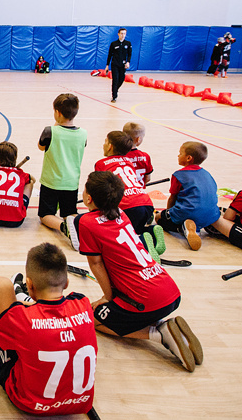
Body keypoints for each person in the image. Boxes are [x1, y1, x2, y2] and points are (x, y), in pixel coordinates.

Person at [75, 171, 203, 372]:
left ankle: (160, 334)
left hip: (146, 300)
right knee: (126, 308)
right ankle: (170, 329)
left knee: (94, 319)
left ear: (88, 198)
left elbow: (96, 263)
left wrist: (107, 297)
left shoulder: (85, 221)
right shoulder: (122, 213)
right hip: (171, 292)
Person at [0, 243, 98, 415]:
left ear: (30, 284)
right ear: (66, 283)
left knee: (1, 285)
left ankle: (19, 297)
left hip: (29, 404)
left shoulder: (22, 320)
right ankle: (22, 298)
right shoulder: (83, 304)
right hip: (79, 404)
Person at [89, 131, 163, 255]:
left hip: (127, 207)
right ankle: (150, 231)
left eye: (105, 142)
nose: (103, 145)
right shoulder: (129, 161)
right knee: (134, 227)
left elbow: (100, 190)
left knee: (113, 235)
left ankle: (143, 243)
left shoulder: (101, 164)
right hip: (146, 204)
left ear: (110, 146)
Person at [155, 142, 220, 251]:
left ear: (189, 158)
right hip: (212, 214)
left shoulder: (179, 175)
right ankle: (197, 227)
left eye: (180, 153)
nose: (178, 155)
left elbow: (172, 198)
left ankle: (184, 228)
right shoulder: (207, 174)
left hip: (188, 212)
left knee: (159, 218)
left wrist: (167, 213)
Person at [38, 93, 87, 233]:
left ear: (58, 113)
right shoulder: (83, 133)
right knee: (70, 212)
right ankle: (80, 228)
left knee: (45, 215)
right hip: (71, 182)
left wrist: (56, 125)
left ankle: (63, 228)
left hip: (51, 182)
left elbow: (41, 147)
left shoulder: (50, 131)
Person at [103, 28, 131, 102]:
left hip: (123, 65)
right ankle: (114, 96)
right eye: (121, 33)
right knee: (115, 80)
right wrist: (107, 65)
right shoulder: (113, 44)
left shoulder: (128, 43)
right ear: (118, 34)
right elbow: (109, 55)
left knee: (121, 79)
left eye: (124, 33)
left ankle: (115, 90)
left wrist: (128, 62)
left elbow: (129, 54)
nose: (123, 35)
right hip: (115, 64)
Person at [122, 122, 153, 187]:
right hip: (139, 190)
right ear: (138, 139)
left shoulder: (119, 155)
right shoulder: (145, 156)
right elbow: (147, 178)